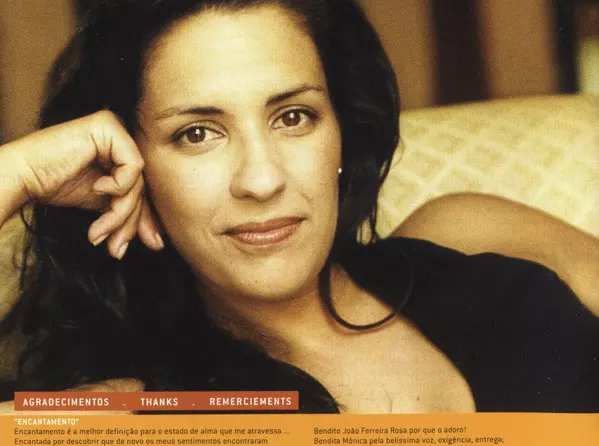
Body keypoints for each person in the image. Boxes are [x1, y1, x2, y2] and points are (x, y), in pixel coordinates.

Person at [0, 0, 597, 413]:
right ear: (129, 164)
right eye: (197, 134)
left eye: (293, 117)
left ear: (342, 129)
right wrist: (19, 172)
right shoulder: (132, 409)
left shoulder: (467, 230)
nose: (261, 180)